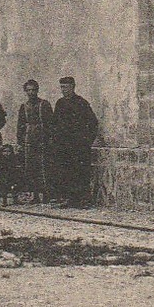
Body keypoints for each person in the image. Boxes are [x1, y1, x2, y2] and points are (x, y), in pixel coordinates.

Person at [50, 75, 100, 208]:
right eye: (62, 87)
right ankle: (69, 199)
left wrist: (87, 141)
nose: (64, 90)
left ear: (73, 87)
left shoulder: (81, 103)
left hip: (79, 145)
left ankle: (83, 200)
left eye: (66, 87)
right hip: (64, 145)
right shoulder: (60, 103)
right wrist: (56, 140)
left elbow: (93, 123)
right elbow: (54, 123)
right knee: (66, 172)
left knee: (81, 172)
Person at [16, 79, 53, 203]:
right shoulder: (24, 106)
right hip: (29, 138)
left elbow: (50, 123)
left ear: (37, 90)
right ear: (25, 92)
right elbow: (20, 124)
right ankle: (35, 194)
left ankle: (46, 194)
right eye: (29, 90)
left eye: (33, 90)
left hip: (42, 137)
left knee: (44, 166)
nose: (31, 92)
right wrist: (20, 141)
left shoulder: (44, 104)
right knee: (31, 167)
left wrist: (49, 138)